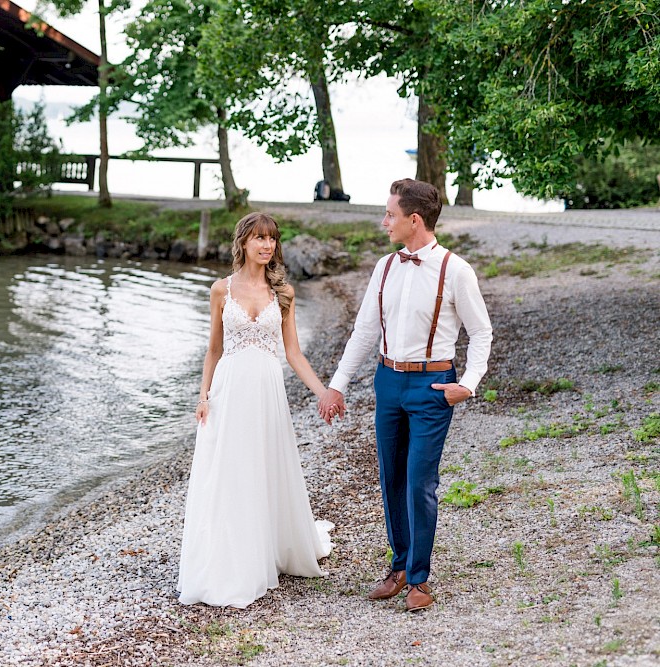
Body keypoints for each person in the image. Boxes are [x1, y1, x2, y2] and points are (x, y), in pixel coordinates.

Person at [319, 178, 492, 612]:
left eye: (390, 215)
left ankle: (419, 579)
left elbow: (482, 332)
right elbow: (364, 331)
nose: (384, 222)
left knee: (420, 482)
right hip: (388, 381)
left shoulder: (456, 270)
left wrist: (468, 383)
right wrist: (338, 384)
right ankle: (398, 568)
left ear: (414, 220)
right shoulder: (384, 266)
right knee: (391, 478)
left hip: (433, 386)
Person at [177, 212, 333, 609]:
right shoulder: (220, 290)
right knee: (229, 472)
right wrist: (203, 396)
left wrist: (322, 391)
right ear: (243, 243)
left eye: (271, 239)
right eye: (258, 238)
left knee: (262, 467)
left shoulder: (283, 293)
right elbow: (213, 349)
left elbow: (293, 352)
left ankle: (267, 546)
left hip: (265, 391)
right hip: (228, 389)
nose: (266, 246)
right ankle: (229, 558)